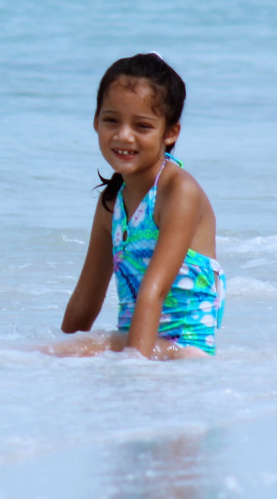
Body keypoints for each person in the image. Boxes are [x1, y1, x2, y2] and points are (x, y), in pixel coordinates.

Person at [56, 53, 224, 360]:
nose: (123, 135)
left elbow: (153, 293)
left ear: (171, 133)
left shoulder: (178, 192)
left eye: (142, 126)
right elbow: (85, 300)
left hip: (185, 352)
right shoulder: (112, 202)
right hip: (140, 345)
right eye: (111, 121)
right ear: (95, 122)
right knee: (51, 352)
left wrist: (135, 375)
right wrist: (54, 359)